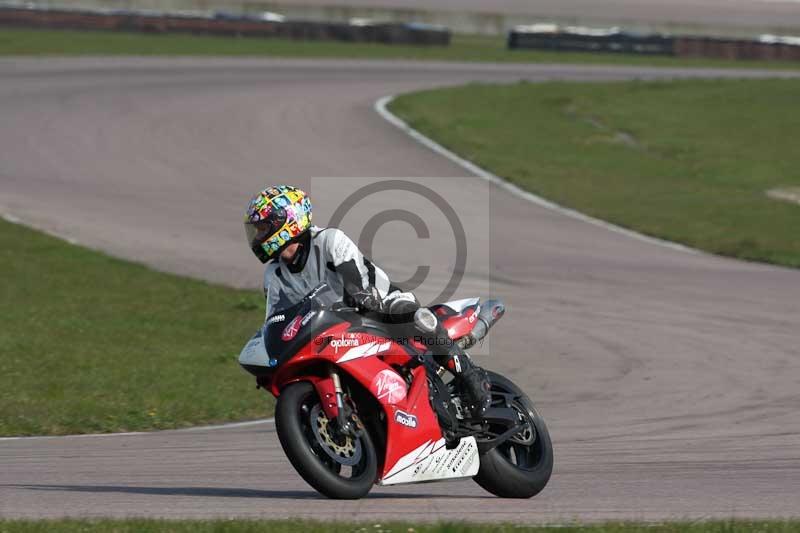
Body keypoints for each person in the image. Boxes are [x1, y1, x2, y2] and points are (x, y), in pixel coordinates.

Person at [244, 185, 491, 419]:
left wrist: (354, 300)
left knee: (415, 317)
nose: (259, 237)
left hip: (377, 306)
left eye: (264, 228)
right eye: (258, 231)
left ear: (289, 220)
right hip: (330, 331)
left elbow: (358, 285)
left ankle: (469, 375)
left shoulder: (329, 240)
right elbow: (277, 320)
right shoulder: (273, 276)